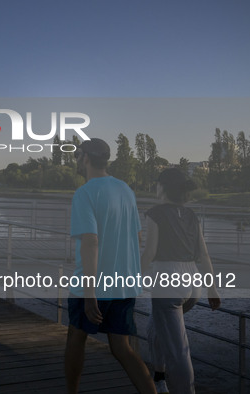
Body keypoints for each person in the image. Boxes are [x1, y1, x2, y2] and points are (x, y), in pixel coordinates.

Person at [65, 138, 156, 394]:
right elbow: (137, 237)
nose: (76, 161)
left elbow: (91, 242)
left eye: (77, 156)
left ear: (84, 157)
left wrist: (89, 293)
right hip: (125, 283)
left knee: (76, 337)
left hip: (94, 284)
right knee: (122, 348)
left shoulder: (85, 192)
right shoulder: (125, 189)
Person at [141, 168, 221, 394]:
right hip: (192, 283)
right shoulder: (191, 215)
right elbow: (203, 255)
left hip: (168, 283)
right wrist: (212, 289)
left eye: (157, 183)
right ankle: (159, 378)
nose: (155, 187)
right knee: (155, 326)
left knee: (178, 352)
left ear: (164, 187)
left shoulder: (155, 213)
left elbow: (149, 253)